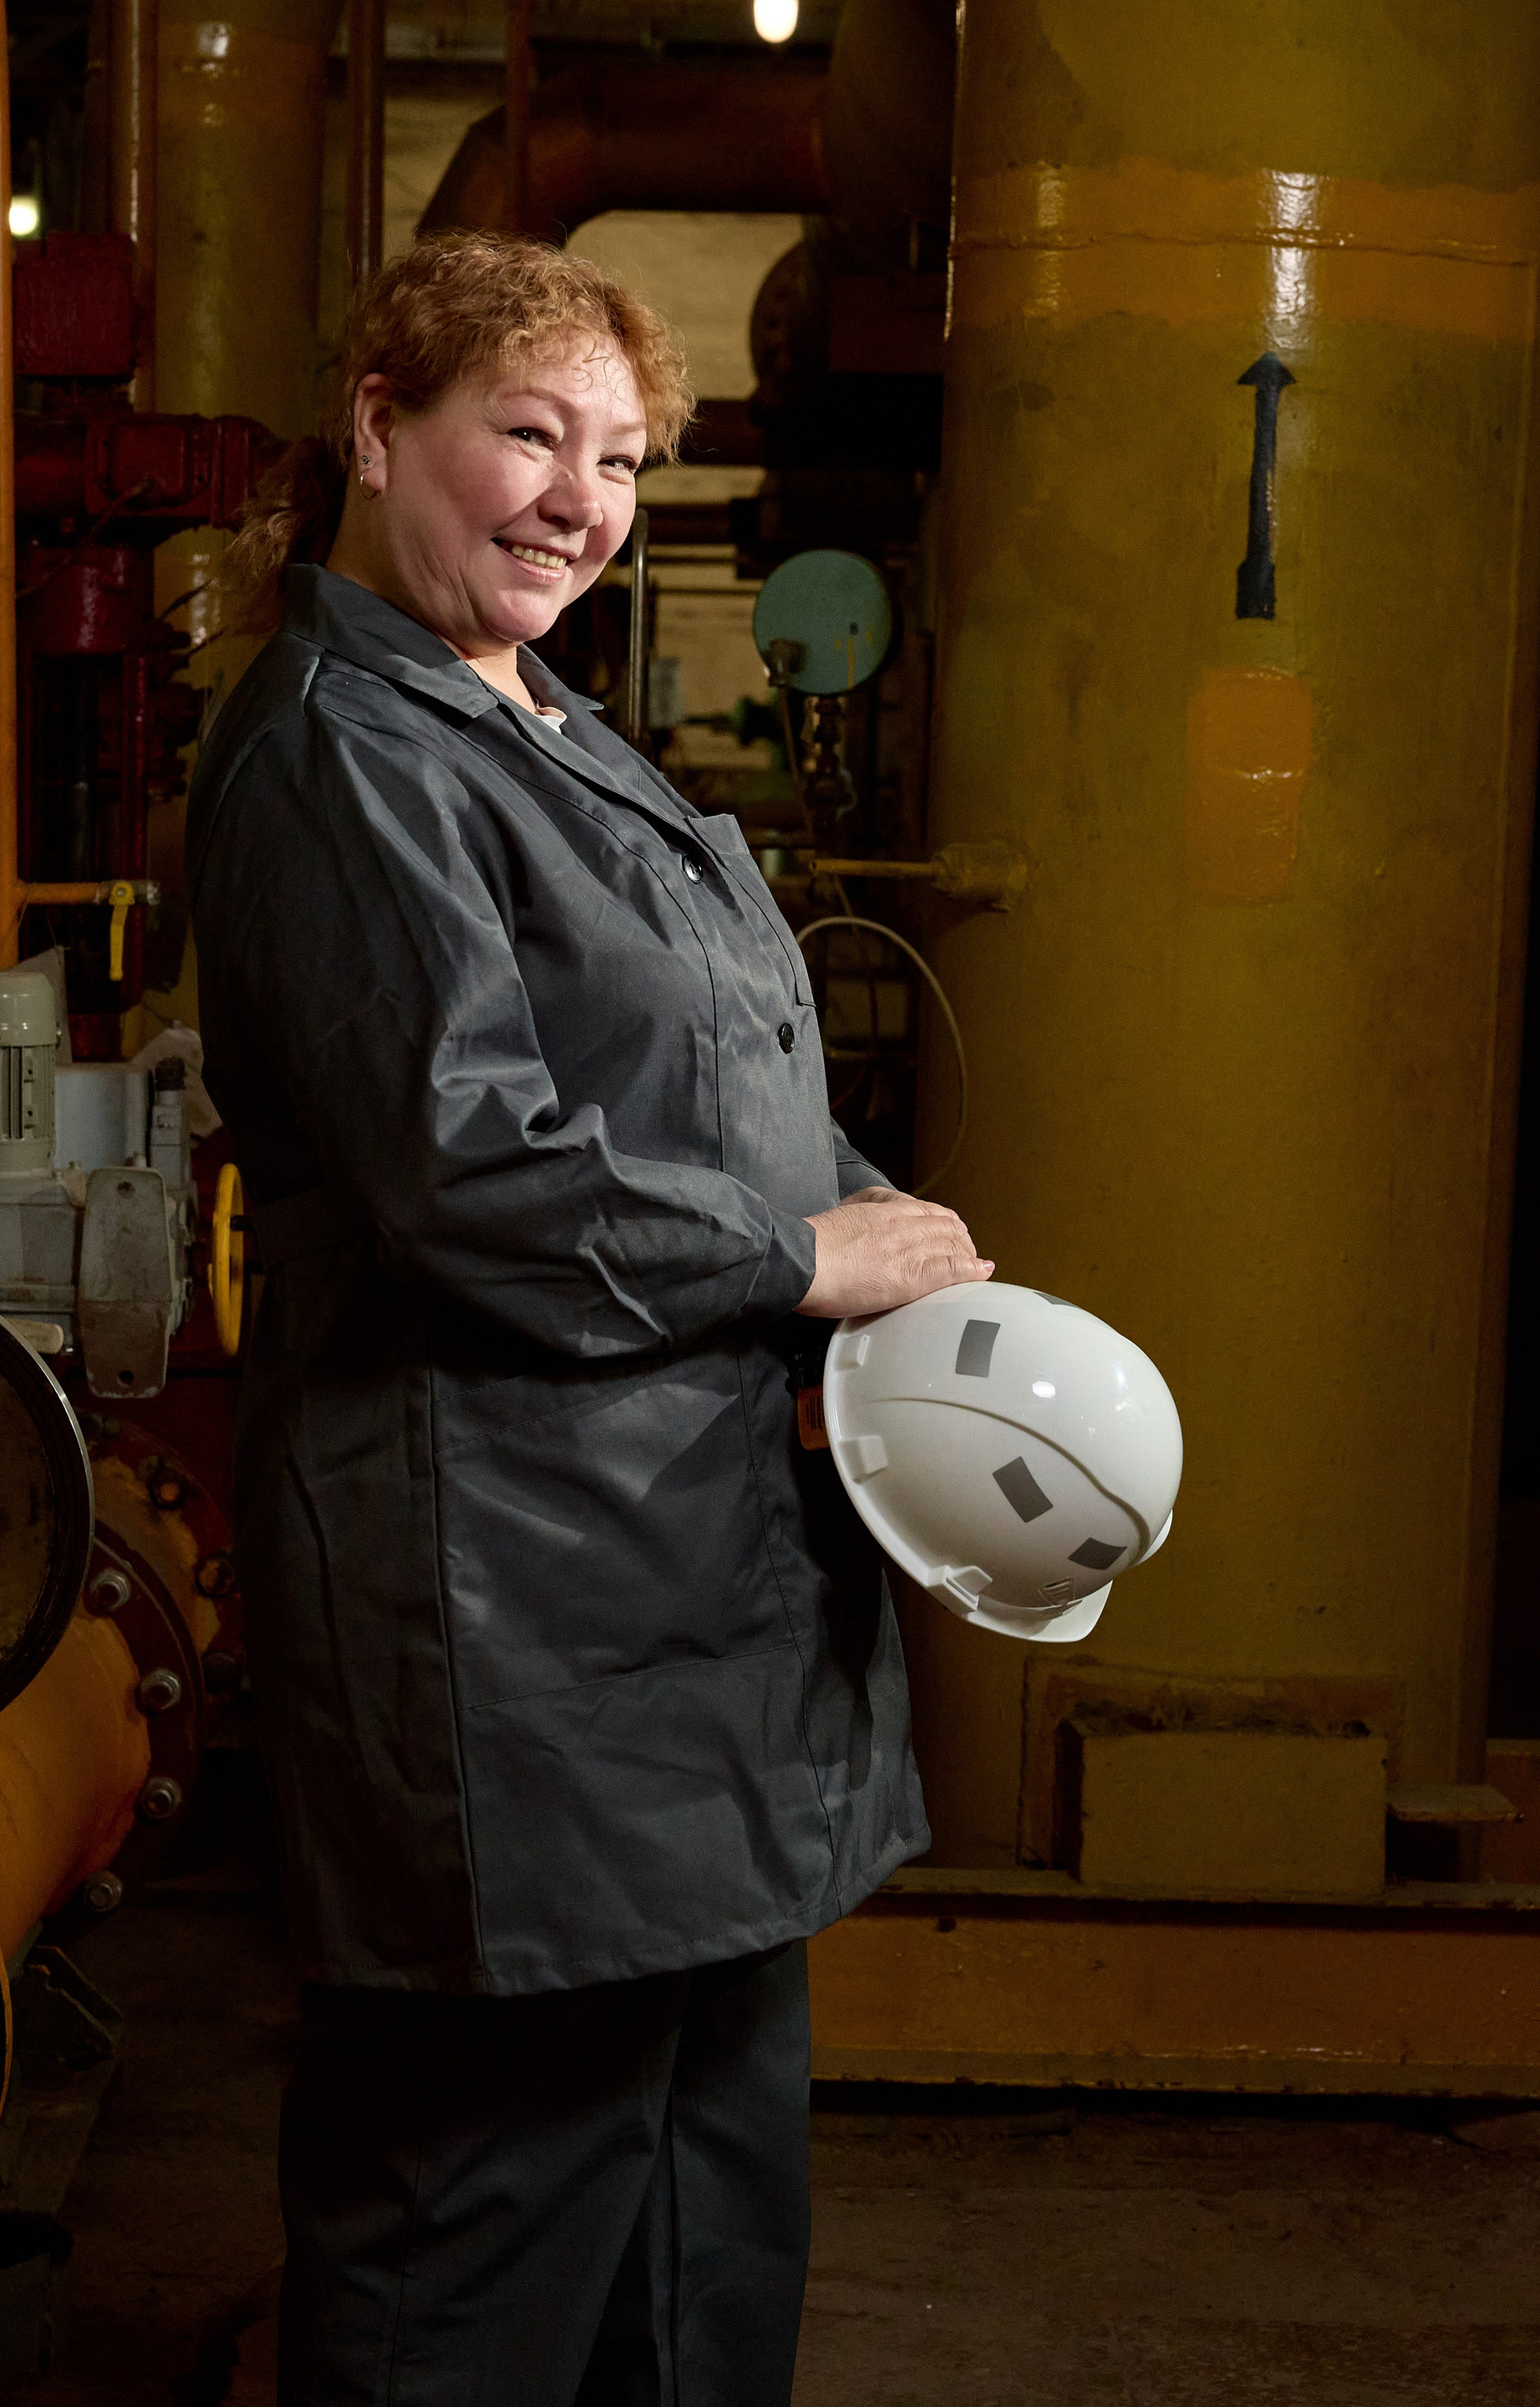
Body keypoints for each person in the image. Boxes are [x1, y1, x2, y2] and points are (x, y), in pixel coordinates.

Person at [186, 230, 993, 2406]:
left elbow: (699, 1083)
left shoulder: (540, 722)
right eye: (528, 435)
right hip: (511, 1633)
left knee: (701, 2222)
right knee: (483, 2233)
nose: (579, 500)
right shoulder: (347, 758)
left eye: (621, 459)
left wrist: (877, 1218)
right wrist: (797, 1264)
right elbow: (474, 1168)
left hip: (686, 1609)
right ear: (379, 429)